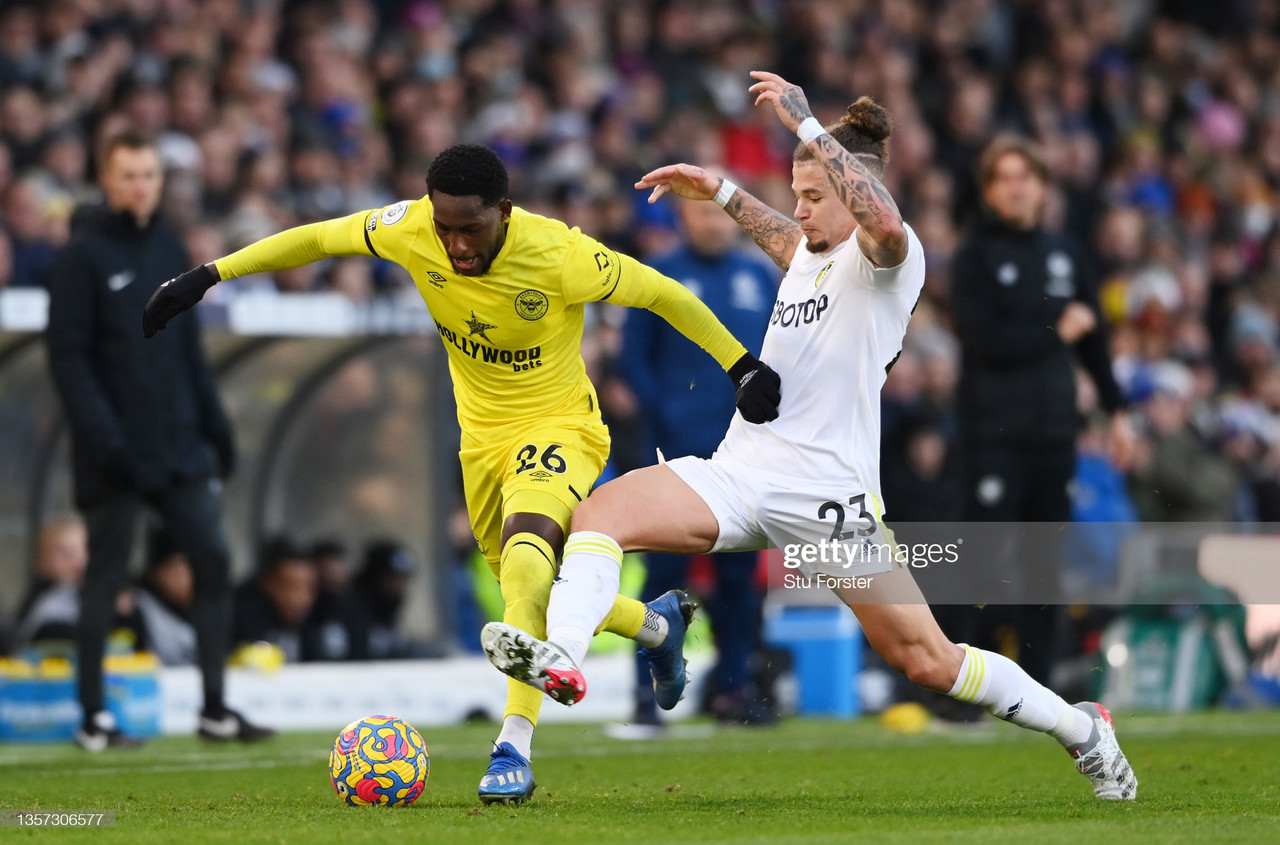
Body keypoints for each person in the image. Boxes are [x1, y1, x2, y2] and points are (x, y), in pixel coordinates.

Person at [480, 71, 1137, 801]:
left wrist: (805, 124)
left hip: (831, 501)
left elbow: (882, 225)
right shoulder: (812, 256)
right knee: (599, 516)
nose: (800, 207)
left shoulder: (893, 258)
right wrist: (724, 192)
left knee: (927, 660)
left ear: (854, 187)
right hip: (742, 472)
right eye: (797, 192)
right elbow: (787, 238)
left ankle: (1083, 731)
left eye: (815, 194)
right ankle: (563, 658)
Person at [141, 142, 781, 804]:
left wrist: (741, 367)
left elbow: (664, 293)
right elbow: (318, 239)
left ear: (503, 211)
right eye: (443, 227)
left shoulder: (559, 253)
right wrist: (209, 274)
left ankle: (513, 748)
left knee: (530, 565)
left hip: (560, 428)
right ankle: (653, 625)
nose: (453, 243)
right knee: (522, 592)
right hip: (482, 445)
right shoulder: (411, 228)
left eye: (469, 227)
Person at [45, 131, 272, 750]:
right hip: (114, 454)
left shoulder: (169, 245)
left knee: (214, 563)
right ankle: (94, 717)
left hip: (178, 447)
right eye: (129, 175)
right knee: (107, 578)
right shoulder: (82, 256)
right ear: (106, 179)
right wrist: (105, 439)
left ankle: (215, 709)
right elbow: (68, 359)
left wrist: (216, 426)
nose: (141, 185)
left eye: (149, 174)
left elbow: (189, 352)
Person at [943, 135, 1134, 693]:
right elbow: (983, 340)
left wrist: (1117, 411)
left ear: (1043, 186)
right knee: (977, 560)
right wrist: (1056, 329)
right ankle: (953, 687)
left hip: (1055, 434)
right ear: (988, 190)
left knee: (1043, 566)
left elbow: (1093, 341)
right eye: (1004, 177)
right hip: (992, 434)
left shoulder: (1067, 254)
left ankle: (1037, 689)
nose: (1017, 187)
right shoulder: (975, 255)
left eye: (1026, 176)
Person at [614, 194, 779, 728]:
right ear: (684, 218)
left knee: (739, 579)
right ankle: (646, 696)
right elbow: (631, 360)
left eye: (720, 213)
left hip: (745, 457)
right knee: (664, 573)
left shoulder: (760, 278)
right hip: (672, 456)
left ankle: (734, 692)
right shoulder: (659, 277)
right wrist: (663, 414)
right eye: (703, 213)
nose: (714, 222)